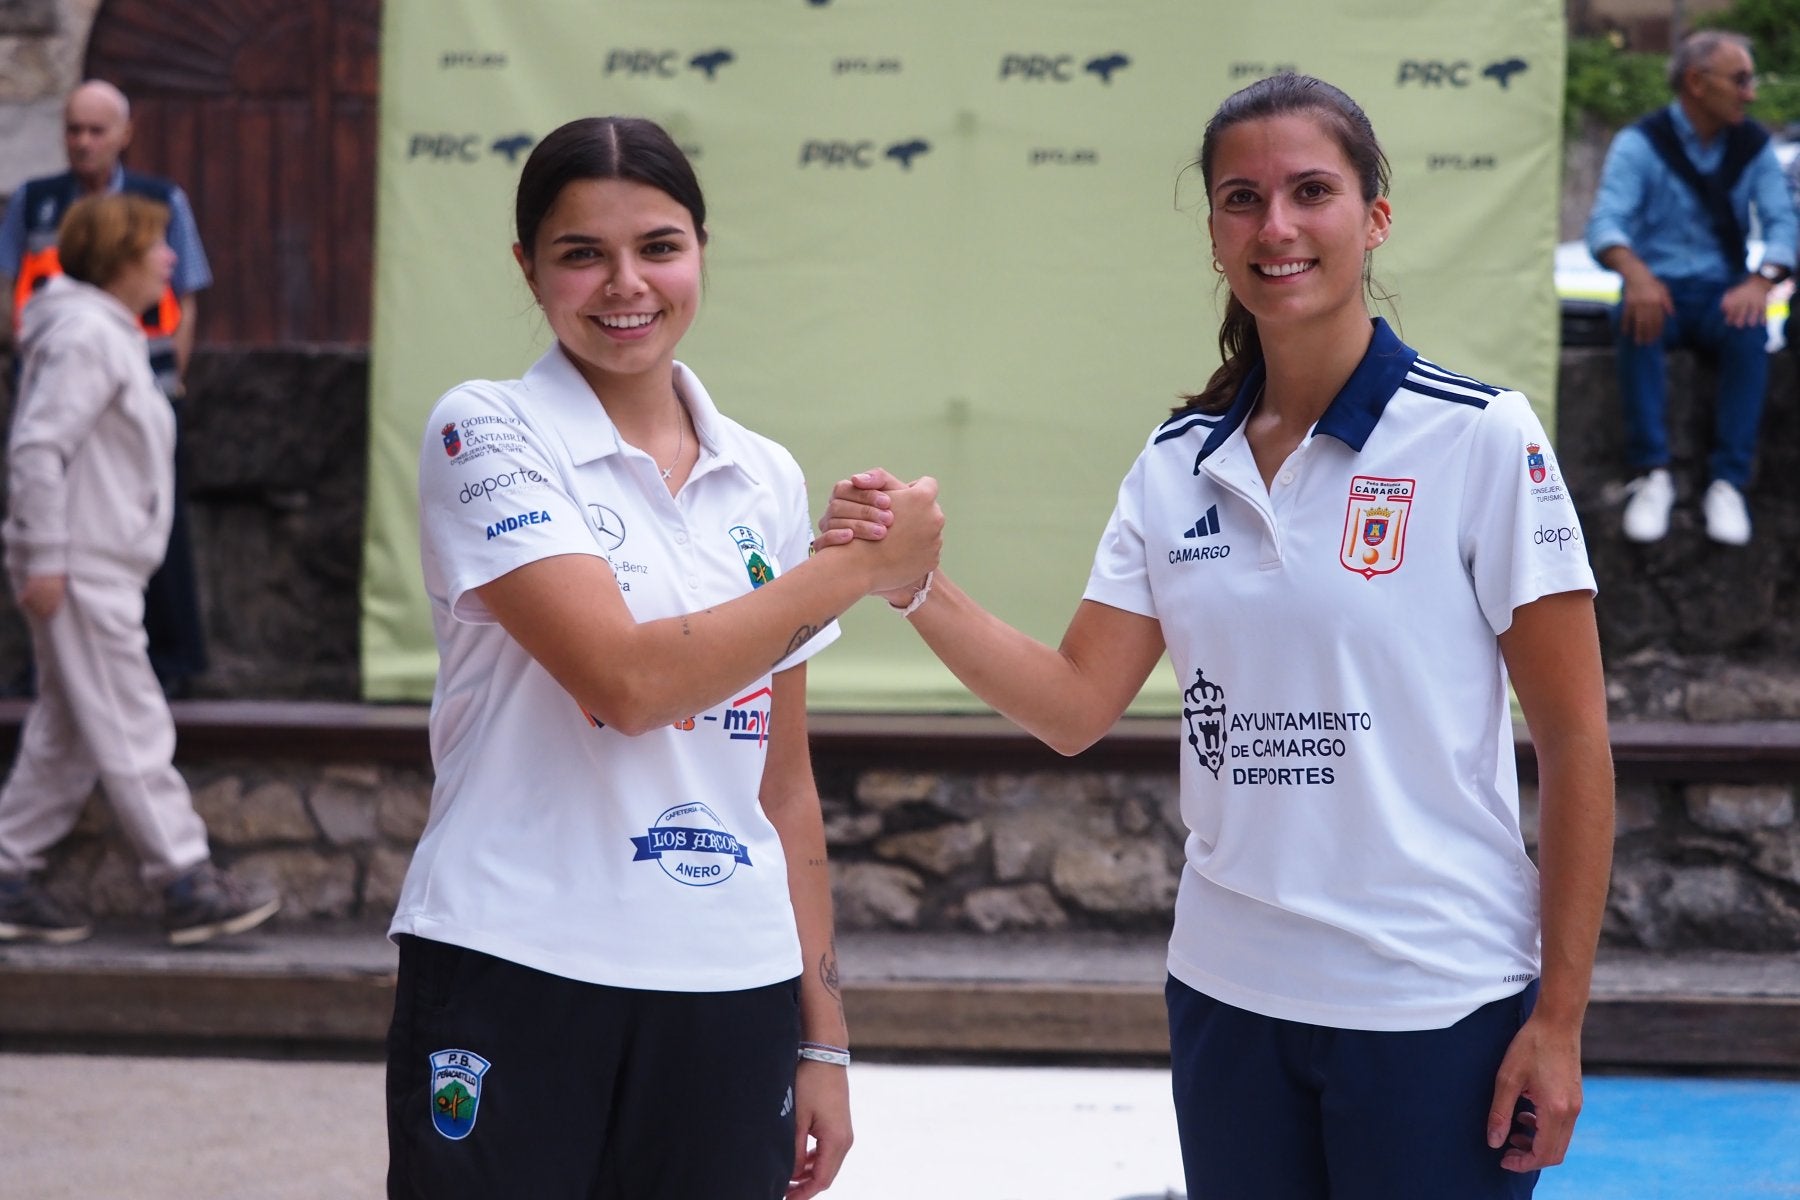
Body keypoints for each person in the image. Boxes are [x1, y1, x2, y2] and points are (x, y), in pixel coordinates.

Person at [820, 73, 1615, 1199]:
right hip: (1229, 1000)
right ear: (1213, 233)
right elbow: (1073, 705)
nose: (1275, 225)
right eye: (1243, 198)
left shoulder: (1480, 437)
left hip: (1434, 1003)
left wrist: (1561, 1019)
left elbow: (1578, 743)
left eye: (1311, 191)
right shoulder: (1175, 462)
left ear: (1375, 218)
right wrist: (914, 585)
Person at [384, 116, 940, 1200]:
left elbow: (782, 784)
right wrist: (857, 569)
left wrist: (823, 1039)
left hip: (732, 987)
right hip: (514, 963)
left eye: (659, 246)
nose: (625, 284)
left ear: (701, 252)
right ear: (527, 268)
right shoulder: (485, 430)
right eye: (581, 253)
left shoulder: (765, 477)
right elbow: (628, 683)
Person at [0, 194, 278, 947]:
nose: (169, 260)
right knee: (132, 721)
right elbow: (37, 449)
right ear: (117, 258)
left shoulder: (103, 332)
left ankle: (7, 874)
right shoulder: (87, 336)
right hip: (82, 567)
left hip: (92, 564)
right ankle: (185, 878)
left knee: (67, 734)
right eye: (155, 247)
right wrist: (46, 558)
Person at [0, 78, 213, 692]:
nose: (84, 142)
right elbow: (12, 287)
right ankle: (61, 660)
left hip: (144, 384)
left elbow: (186, 299)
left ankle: (168, 657)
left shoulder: (158, 199)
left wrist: (168, 378)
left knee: (152, 518)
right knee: (71, 514)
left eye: (97, 130)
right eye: (74, 129)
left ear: (125, 134)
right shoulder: (38, 205)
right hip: (66, 376)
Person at [1585, 30, 1797, 546]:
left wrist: (1761, 280)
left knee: (1748, 332)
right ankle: (1651, 472)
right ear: (1698, 83)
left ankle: (1728, 481)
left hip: (1723, 291)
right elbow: (1607, 221)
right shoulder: (1641, 142)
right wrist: (1635, 275)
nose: (1750, 94)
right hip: (1659, 289)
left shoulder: (1753, 147)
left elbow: (1782, 223)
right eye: (1740, 80)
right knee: (1635, 319)